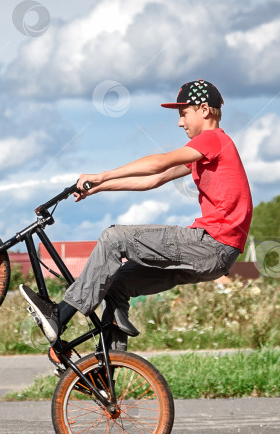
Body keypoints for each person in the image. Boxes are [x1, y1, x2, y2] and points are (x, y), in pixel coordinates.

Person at [21, 79, 252, 355]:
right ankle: (106, 368)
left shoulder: (213, 139)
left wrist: (102, 174)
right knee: (118, 283)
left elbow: (159, 162)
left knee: (114, 237)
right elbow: (155, 178)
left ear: (204, 109)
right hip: (217, 256)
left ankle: (59, 316)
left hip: (211, 244)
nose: (180, 123)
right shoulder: (204, 152)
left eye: (183, 113)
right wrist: (99, 186)